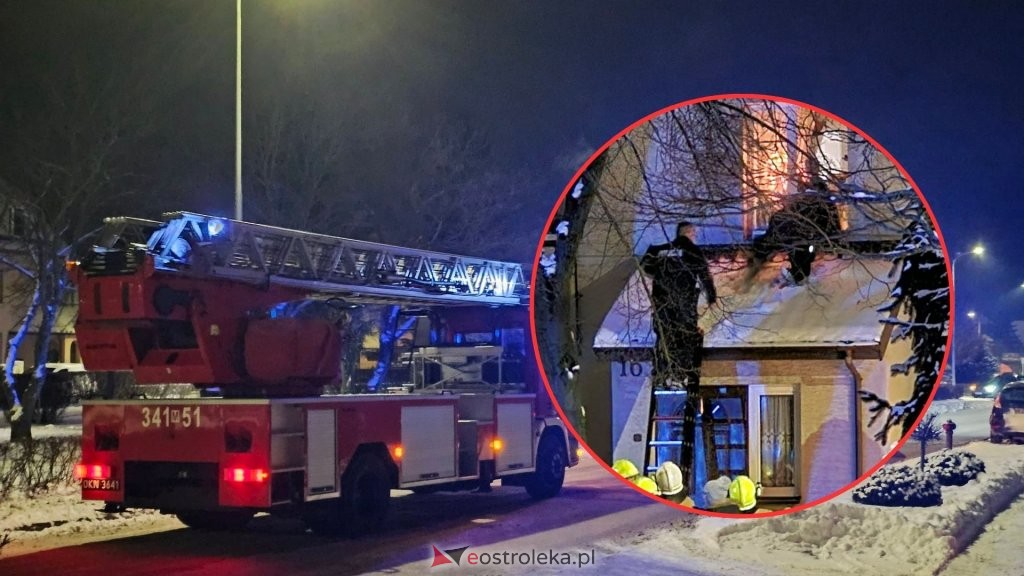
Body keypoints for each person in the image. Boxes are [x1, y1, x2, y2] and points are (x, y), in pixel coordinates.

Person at [640, 221, 717, 390]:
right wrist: (712, 297)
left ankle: (663, 372)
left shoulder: (659, 250)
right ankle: (681, 373)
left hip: (662, 304)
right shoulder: (694, 252)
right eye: (694, 233)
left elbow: (645, 266)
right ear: (688, 232)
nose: (695, 236)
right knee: (684, 338)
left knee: (665, 337)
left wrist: (659, 276)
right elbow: (705, 276)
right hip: (683, 304)